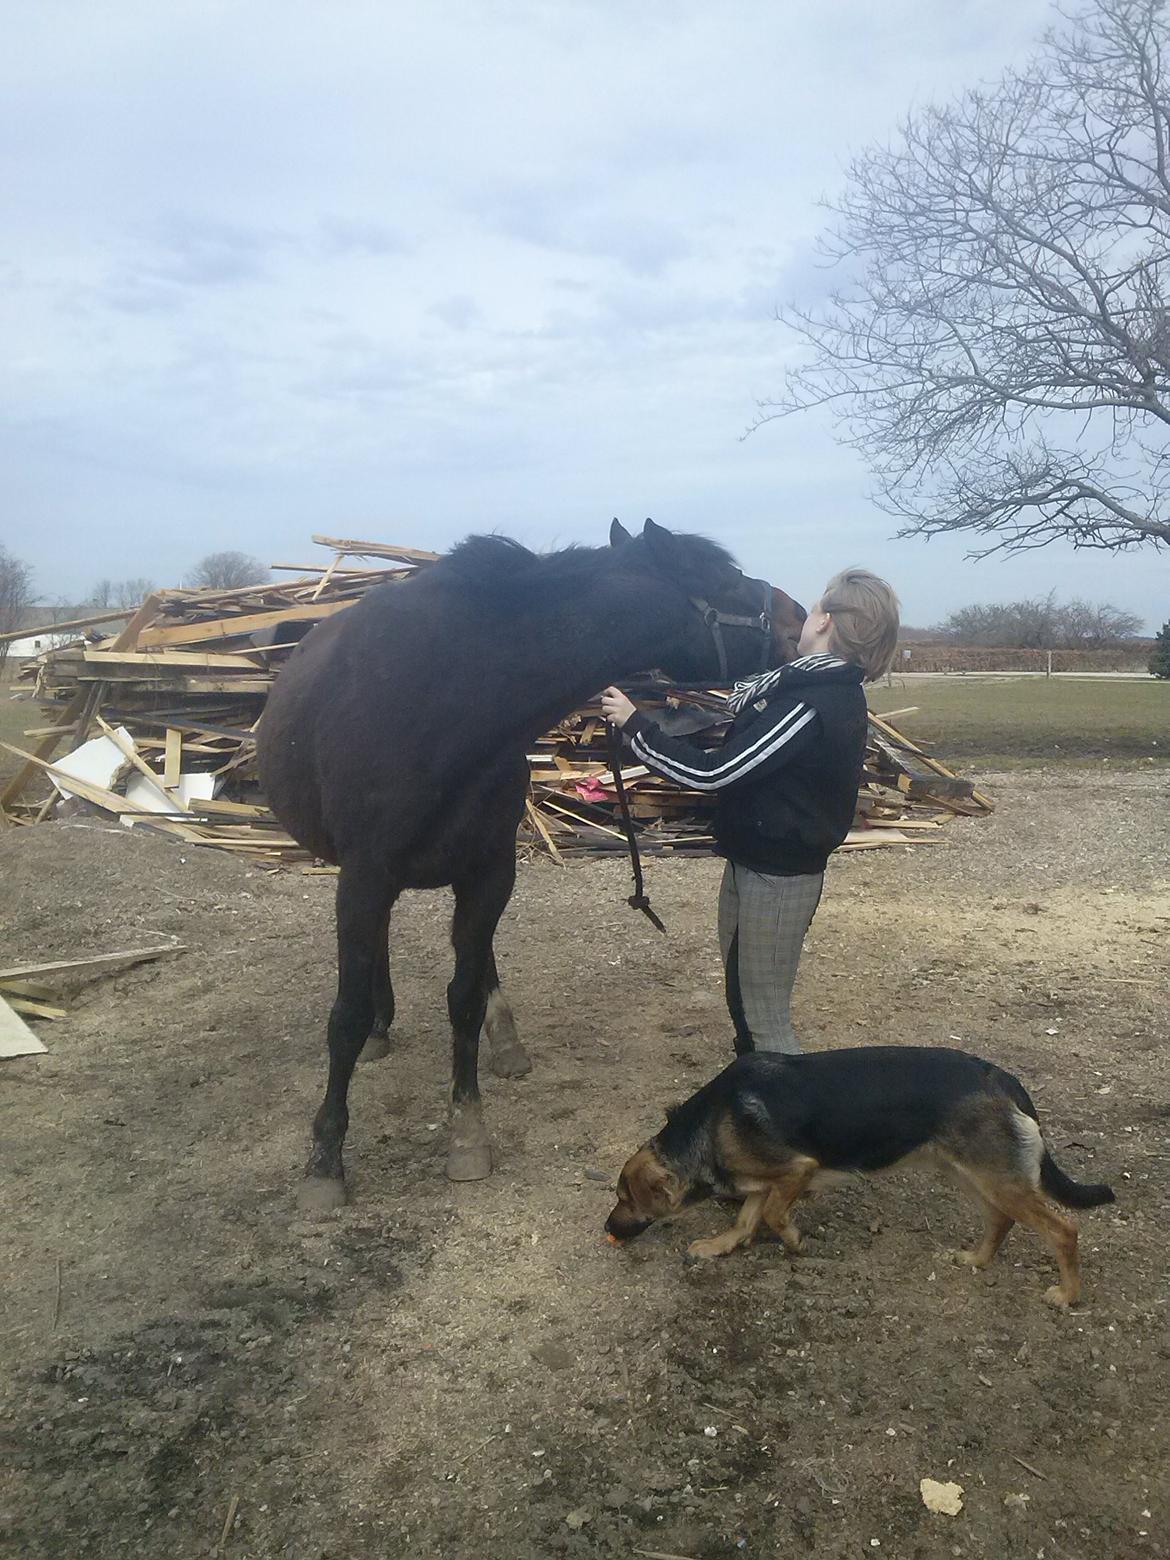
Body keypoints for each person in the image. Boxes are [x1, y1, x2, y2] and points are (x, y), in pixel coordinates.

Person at [600, 568, 900, 1056]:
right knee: (744, 1000)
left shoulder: (812, 702)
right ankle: (756, 1087)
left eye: (813, 607)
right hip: (756, 861)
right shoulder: (798, 687)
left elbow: (715, 773)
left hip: (777, 875)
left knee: (765, 1019)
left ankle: (785, 1098)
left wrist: (637, 727)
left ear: (824, 620)